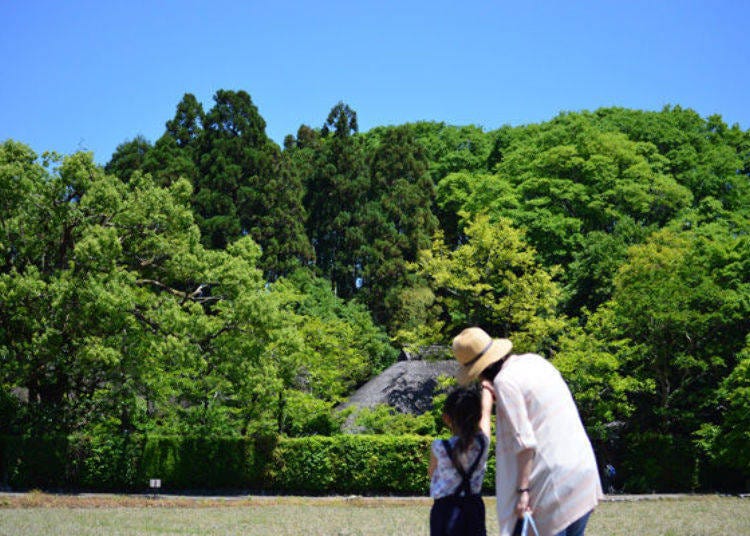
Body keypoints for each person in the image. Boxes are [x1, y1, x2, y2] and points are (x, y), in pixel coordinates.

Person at [452, 327, 603, 536]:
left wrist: (523, 491)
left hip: (551, 481)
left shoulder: (505, 382)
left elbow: (524, 442)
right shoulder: (534, 361)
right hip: (581, 467)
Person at [428, 382, 494, 536]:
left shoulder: (439, 447)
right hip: (473, 508)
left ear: (446, 418)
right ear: (477, 416)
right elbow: (486, 415)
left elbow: (432, 473)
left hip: (445, 510)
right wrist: (486, 390)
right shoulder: (482, 444)